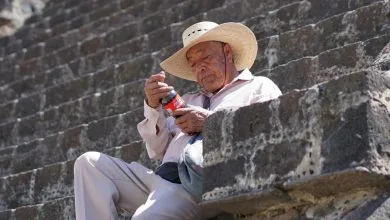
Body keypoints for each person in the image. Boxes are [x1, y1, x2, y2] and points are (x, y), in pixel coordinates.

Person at [73, 21, 282, 220]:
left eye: (205, 59)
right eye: (194, 65)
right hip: (162, 180)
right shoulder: (190, 100)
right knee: (89, 164)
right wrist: (153, 107)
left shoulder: (259, 87)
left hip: (202, 181)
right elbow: (156, 151)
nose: (200, 69)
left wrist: (210, 123)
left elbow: (270, 129)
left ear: (227, 52)